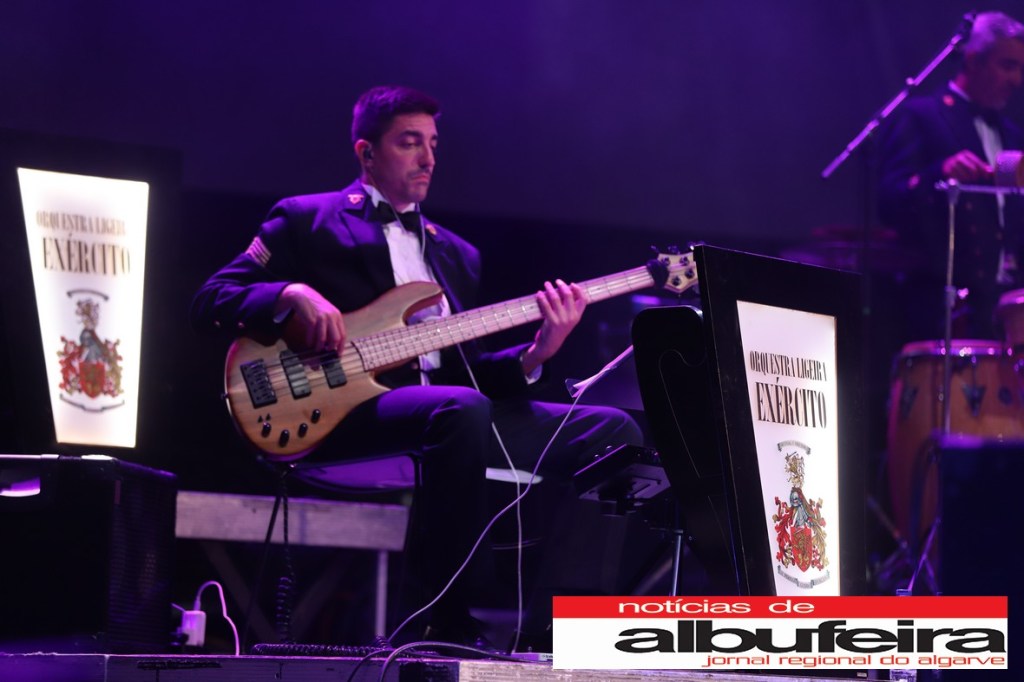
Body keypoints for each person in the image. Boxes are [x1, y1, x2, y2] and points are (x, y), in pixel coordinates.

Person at [190, 85, 642, 650]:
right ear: (366, 152)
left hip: (450, 415)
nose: (428, 158)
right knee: (459, 409)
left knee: (610, 431)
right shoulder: (307, 219)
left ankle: (558, 626)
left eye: (433, 143)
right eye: (409, 143)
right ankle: (441, 618)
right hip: (339, 412)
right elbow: (212, 297)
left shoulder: (455, 254)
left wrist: (538, 352)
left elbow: (469, 374)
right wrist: (290, 293)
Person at [878, 10, 1024, 341]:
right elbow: (888, 201)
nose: (1017, 80)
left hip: (1006, 310)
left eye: (1020, 68)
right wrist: (938, 173)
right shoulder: (922, 116)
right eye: (1007, 66)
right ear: (973, 61)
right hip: (943, 312)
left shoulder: (1012, 134)